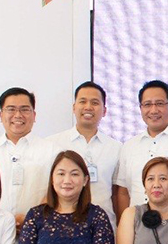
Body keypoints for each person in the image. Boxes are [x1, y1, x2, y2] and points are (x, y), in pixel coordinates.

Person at [0, 87, 61, 227]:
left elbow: (59, 191)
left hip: (39, 230)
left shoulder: (53, 151)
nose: (18, 115)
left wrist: (31, 219)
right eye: (11, 109)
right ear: (0, 115)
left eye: (24, 109)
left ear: (34, 115)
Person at [48, 81, 122, 228]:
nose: (88, 107)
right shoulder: (53, 144)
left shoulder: (116, 148)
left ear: (104, 110)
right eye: (83, 101)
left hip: (104, 228)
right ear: (74, 107)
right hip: (63, 228)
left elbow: (117, 193)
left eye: (95, 102)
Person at [117, 80, 168, 214]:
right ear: (140, 108)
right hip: (137, 229)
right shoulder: (129, 146)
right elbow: (123, 192)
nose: (153, 110)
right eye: (147, 104)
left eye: (159, 104)